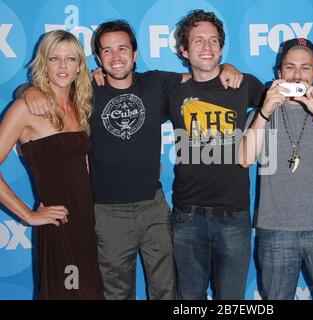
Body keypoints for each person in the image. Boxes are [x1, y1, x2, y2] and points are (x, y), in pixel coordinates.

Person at [23, 20, 243, 300]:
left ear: (135, 54)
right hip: (107, 212)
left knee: (166, 290)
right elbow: (48, 90)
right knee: (116, 294)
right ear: (98, 59)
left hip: (153, 207)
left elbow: (203, 74)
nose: (116, 57)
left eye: (123, 49)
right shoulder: (85, 90)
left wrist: (227, 68)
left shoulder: (157, 82)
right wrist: (28, 91)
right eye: (107, 51)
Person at [239, 38, 313, 300]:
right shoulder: (262, 113)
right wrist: (265, 112)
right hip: (275, 229)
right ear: (279, 73)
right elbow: (245, 158)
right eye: (290, 67)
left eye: (306, 68)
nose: (297, 75)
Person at [166, 9, 265, 300]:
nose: (207, 47)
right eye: (198, 41)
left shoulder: (244, 83)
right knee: (189, 299)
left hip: (234, 216)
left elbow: (286, 100)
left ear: (221, 48)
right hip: (187, 216)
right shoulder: (172, 90)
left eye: (213, 40)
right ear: (183, 50)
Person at [0, 30, 103, 299]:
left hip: (89, 222)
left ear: (80, 64)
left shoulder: (79, 105)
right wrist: (28, 214)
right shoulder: (26, 107)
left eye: (70, 59)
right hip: (60, 224)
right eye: (54, 59)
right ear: (43, 63)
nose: (62, 66)